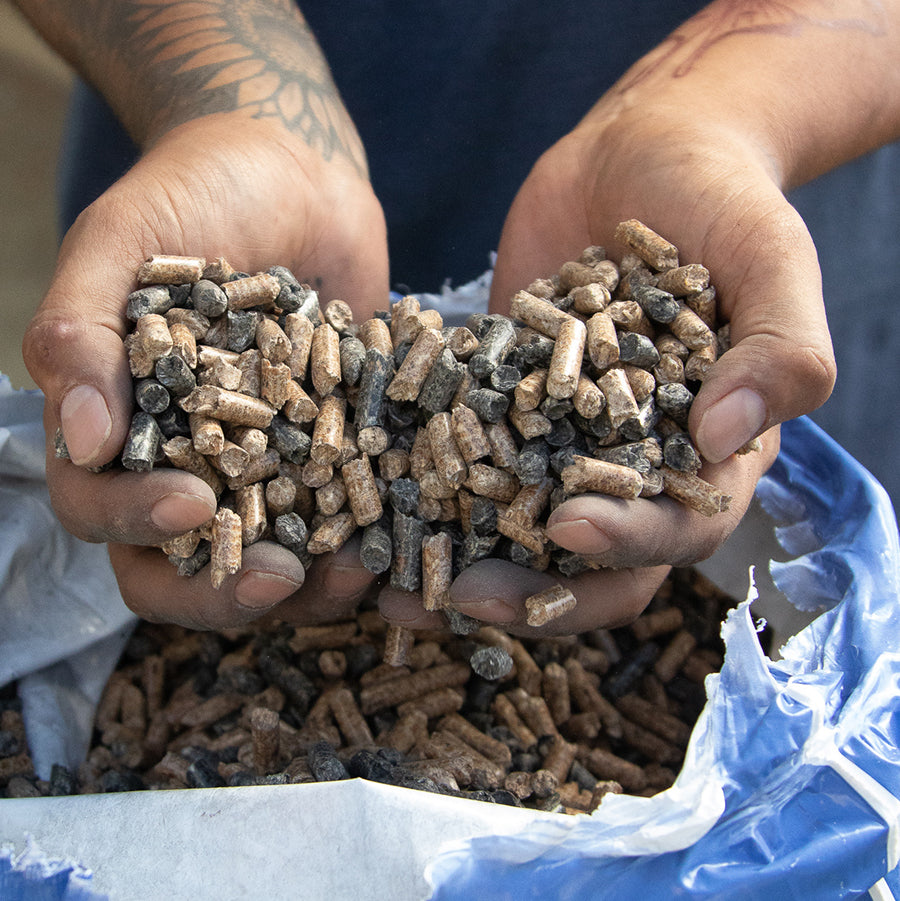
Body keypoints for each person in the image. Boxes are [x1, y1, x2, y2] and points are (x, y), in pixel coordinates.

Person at [13, 0, 900, 636]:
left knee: (753, 566)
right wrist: (222, 106)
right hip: (222, 189)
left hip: (764, 182)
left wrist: (718, 121)